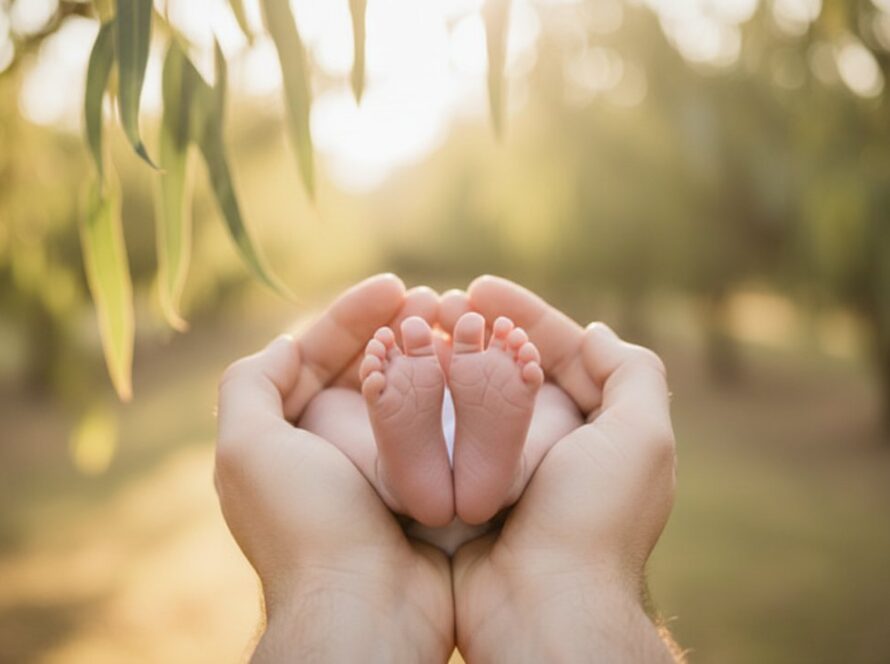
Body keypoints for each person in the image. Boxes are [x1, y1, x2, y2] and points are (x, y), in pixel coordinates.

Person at [215, 274, 681, 662]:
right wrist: (573, 572)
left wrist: (334, 574)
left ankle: (395, 480)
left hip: (391, 508)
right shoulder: (487, 370)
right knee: (556, 406)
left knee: (329, 409)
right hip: (509, 506)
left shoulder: (376, 378)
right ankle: (507, 473)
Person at [298, 310, 582, 553]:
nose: (440, 344)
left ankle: (386, 478)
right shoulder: (498, 383)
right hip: (496, 482)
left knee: (327, 404)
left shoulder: (388, 390)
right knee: (557, 401)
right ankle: (514, 473)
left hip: (404, 482)